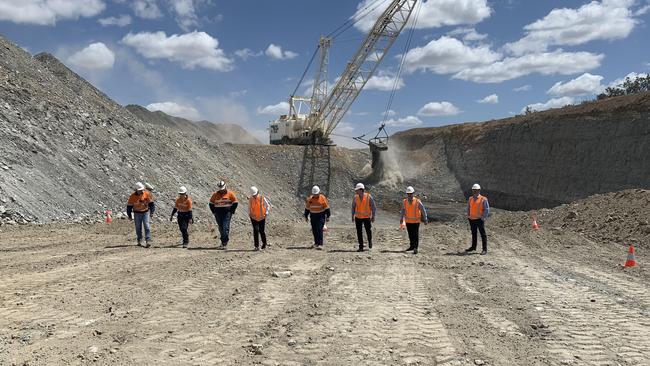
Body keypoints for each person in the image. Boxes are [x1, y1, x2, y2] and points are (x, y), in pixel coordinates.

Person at [209, 180, 238, 248]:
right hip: (218, 214)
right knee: (221, 227)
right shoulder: (215, 195)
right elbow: (211, 204)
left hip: (227, 214)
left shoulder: (230, 194)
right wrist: (214, 212)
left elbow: (235, 202)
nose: (221, 191)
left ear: (225, 187)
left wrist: (231, 211)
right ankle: (223, 241)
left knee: (225, 227)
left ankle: (224, 242)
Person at [126, 182, 155, 247]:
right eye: (139, 190)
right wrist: (129, 215)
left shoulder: (146, 194)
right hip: (137, 213)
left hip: (145, 212)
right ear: (136, 190)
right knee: (138, 227)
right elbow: (129, 206)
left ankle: (148, 240)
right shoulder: (132, 196)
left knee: (147, 226)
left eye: (141, 190)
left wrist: (152, 212)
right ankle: (139, 239)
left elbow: (151, 204)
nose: (141, 191)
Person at [400, 186, 427, 254]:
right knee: (410, 235)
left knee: (415, 234)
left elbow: (423, 210)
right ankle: (412, 246)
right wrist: (401, 218)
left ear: (413, 193)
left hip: (416, 222)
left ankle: (415, 248)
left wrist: (425, 218)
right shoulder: (405, 201)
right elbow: (403, 210)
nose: (409, 195)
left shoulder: (417, 201)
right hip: (408, 221)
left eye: (411, 193)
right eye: (408, 194)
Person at [351, 183, 376, 252]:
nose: (356, 191)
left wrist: (373, 216)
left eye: (357, 190)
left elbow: (373, 207)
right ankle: (361, 246)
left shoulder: (369, 197)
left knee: (368, 231)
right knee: (359, 232)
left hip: (366, 217)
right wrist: (352, 216)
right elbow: (353, 207)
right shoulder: (355, 197)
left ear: (361, 190)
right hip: (358, 217)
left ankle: (370, 241)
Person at [465, 183, 490, 255]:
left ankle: (484, 249)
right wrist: (468, 215)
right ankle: (473, 247)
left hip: (479, 219)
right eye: (474, 190)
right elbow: (468, 207)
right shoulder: (470, 198)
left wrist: (483, 217)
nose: (475, 191)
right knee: (474, 233)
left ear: (479, 190)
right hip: (472, 219)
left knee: (483, 234)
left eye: (476, 190)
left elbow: (487, 209)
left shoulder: (483, 199)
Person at [304, 185, 330, 250]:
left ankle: (320, 244)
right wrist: (306, 216)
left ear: (319, 192)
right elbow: (307, 208)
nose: (315, 195)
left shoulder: (322, 198)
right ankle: (316, 243)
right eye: (314, 194)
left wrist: (328, 216)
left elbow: (327, 208)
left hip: (320, 216)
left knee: (319, 229)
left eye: (316, 194)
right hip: (313, 216)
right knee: (314, 230)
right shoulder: (310, 199)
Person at [249, 186, 270, 251]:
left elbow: (267, 206)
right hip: (254, 218)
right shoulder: (251, 199)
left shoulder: (262, 198)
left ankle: (264, 243)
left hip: (262, 217)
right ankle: (256, 246)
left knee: (261, 231)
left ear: (258, 192)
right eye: (253, 195)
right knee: (255, 230)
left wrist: (266, 213)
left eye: (255, 194)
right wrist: (250, 214)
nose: (255, 196)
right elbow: (249, 207)